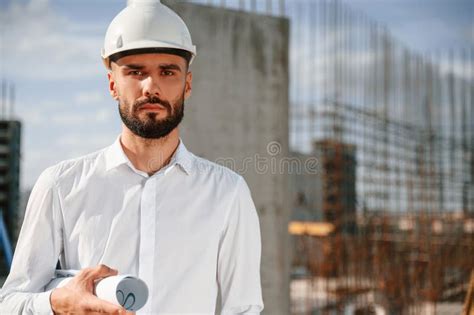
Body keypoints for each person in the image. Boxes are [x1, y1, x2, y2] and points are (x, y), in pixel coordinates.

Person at [0, 0, 264, 314]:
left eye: (167, 71)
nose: (151, 86)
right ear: (113, 84)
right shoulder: (60, 186)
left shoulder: (228, 192)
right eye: (135, 72)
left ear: (187, 84)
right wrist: (58, 303)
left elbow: (244, 308)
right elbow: (11, 302)